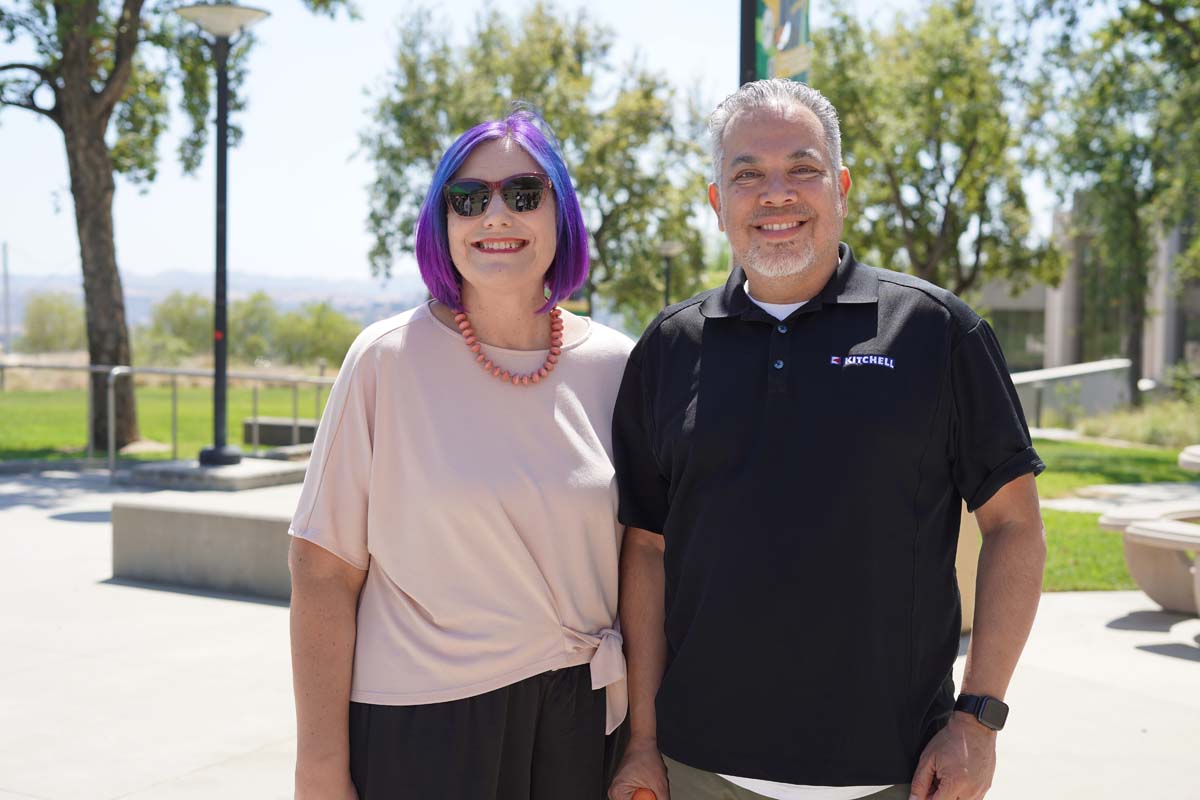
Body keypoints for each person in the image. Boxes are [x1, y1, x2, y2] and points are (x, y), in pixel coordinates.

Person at [608, 79, 1046, 800]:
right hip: (697, 771)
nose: (776, 193)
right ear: (718, 202)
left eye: (802, 169)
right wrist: (645, 742)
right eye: (747, 174)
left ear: (840, 186)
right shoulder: (668, 347)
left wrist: (978, 719)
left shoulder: (937, 332)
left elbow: (1014, 527)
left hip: (892, 775)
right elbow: (646, 550)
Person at [288, 108, 632, 800]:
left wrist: (646, 741)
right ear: (441, 224)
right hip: (423, 731)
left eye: (523, 193)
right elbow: (322, 575)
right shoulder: (384, 360)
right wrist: (320, 770)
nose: (495, 215)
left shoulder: (620, 367)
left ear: (560, 212)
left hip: (582, 727)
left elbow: (645, 567)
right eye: (468, 199)